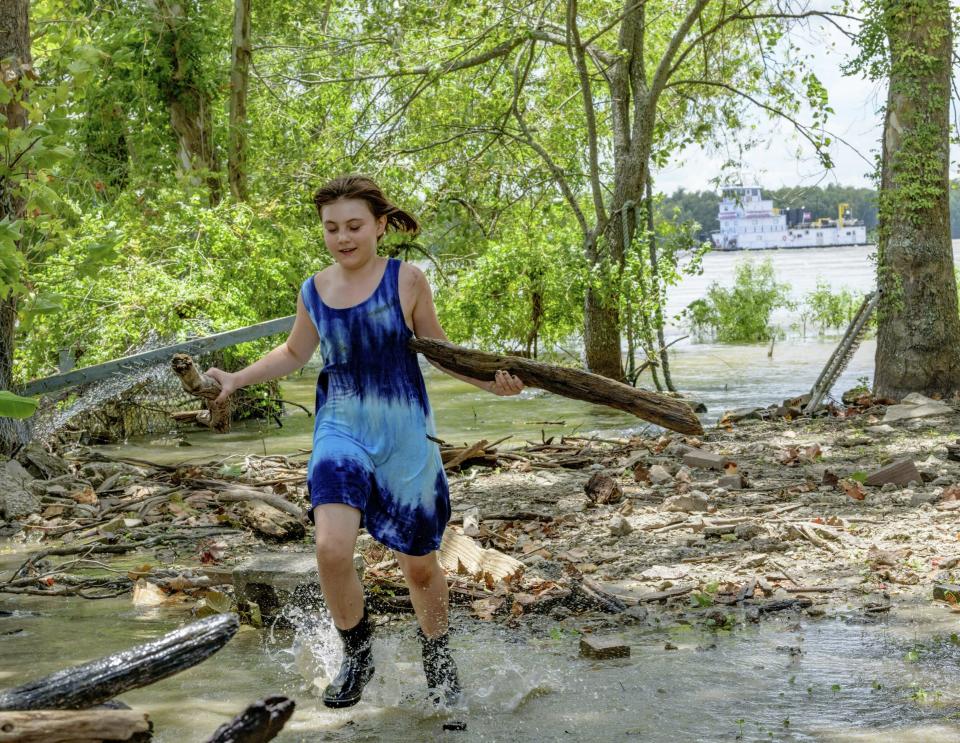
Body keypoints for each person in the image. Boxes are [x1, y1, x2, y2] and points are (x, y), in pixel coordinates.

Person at [206, 175, 524, 709]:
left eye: (354, 226)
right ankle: (357, 653)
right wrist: (236, 378)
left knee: (420, 568)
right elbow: (293, 354)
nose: (342, 237)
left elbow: (440, 351)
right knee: (331, 547)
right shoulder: (315, 289)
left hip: (403, 436)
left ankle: (439, 659)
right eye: (331, 228)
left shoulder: (407, 280)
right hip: (341, 428)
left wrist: (493, 382)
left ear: (380, 225)